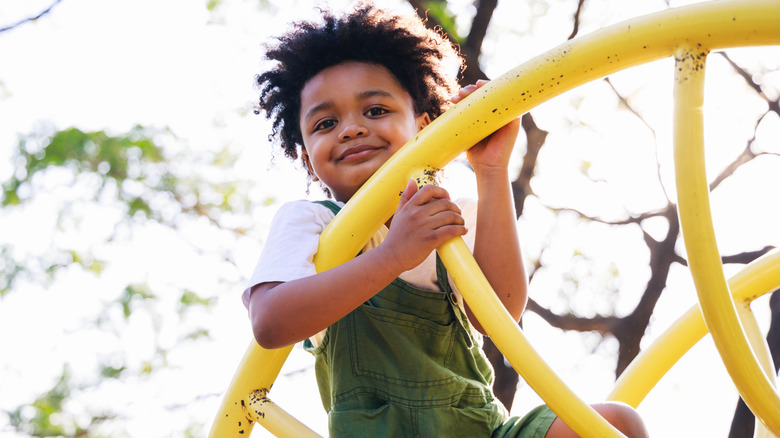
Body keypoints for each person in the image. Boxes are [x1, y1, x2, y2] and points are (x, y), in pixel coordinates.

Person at [244, 4, 648, 437]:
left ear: (423, 127)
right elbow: (270, 322)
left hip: (482, 430)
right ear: (308, 161)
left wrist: (491, 171)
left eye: (375, 110)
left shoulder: (449, 219)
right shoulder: (312, 223)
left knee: (617, 422)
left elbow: (500, 313)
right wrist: (393, 255)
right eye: (326, 123)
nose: (351, 129)